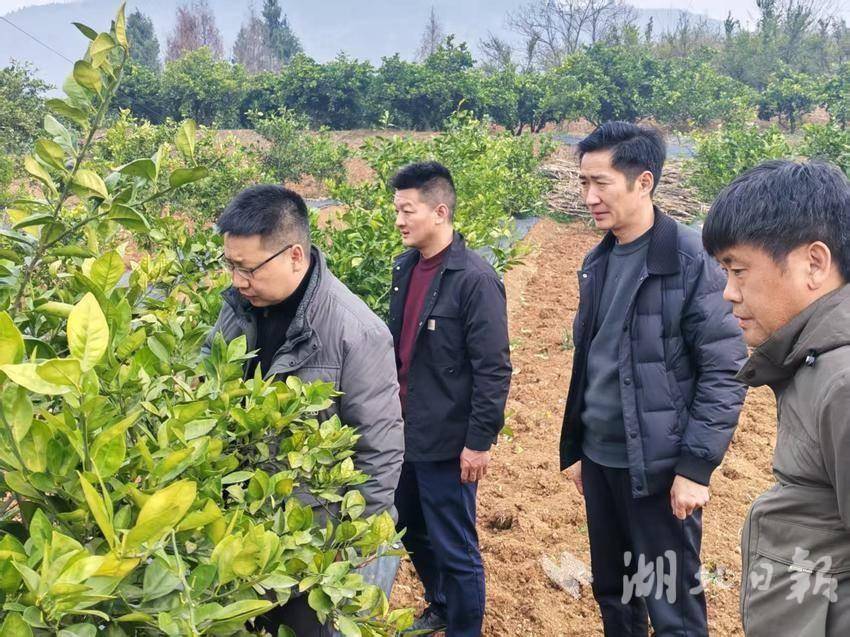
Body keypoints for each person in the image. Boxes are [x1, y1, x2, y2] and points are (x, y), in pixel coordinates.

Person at [560, 122, 748, 636]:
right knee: (616, 593)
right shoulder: (597, 261)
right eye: (583, 183)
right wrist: (578, 447)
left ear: (644, 182)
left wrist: (695, 468)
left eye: (601, 183)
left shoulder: (688, 260)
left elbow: (725, 369)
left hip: (659, 471)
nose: (589, 197)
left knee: (671, 603)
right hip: (601, 460)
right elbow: (592, 362)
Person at [201, 184, 405, 636]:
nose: (237, 280)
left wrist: (344, 548)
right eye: (230, 265)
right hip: (237, 520)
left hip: (308, 540)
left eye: (247, 268)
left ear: (295, 255)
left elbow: (379, 452)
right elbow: (207, 375)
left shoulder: (357, 333)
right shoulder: (238, 309)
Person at [702, 160, 850, 637]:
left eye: (738, 270)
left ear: (814, 263)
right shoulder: (813, 362)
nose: (728, 292)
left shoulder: (842, 383)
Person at [387, 161, 512, 636]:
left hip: (447, 439)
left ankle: (464, 627)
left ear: (439, 212)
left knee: (455, 544)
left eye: (407, 210)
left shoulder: (474, 278)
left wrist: (478, 442)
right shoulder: (405, 268)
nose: (399, 220)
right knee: (410, 527)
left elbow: (493, 368)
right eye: (396, 210)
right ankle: (440, 603)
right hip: (405, 430)